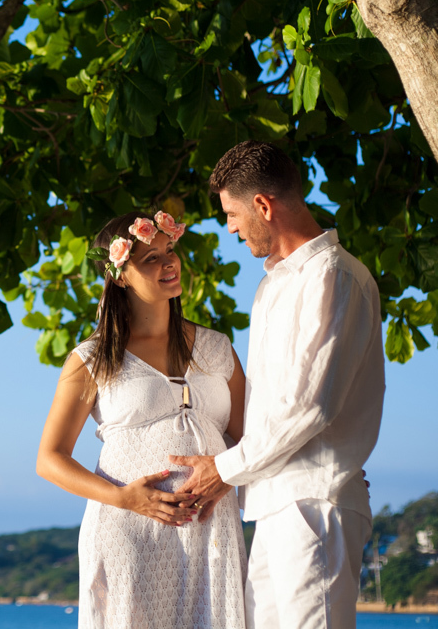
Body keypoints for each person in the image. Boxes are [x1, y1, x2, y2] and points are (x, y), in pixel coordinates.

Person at [170, 141, 385, 629]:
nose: (230, 227)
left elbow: (311, 406)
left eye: (232, 213)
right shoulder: (273, 286)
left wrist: (224, 469)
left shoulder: (332, 277)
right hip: (273, 503)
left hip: (314, 503)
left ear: (263, 205)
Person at [36, 210, 248, 628]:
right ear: (119, 276)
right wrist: (123, 498)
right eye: (150, 258)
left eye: (170, 251)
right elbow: (50, 458)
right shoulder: (94, 359)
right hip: (129, 534)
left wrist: (228, 473)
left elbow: (249, 440)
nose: (168, 262)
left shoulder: (217, 347)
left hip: (212, 535)